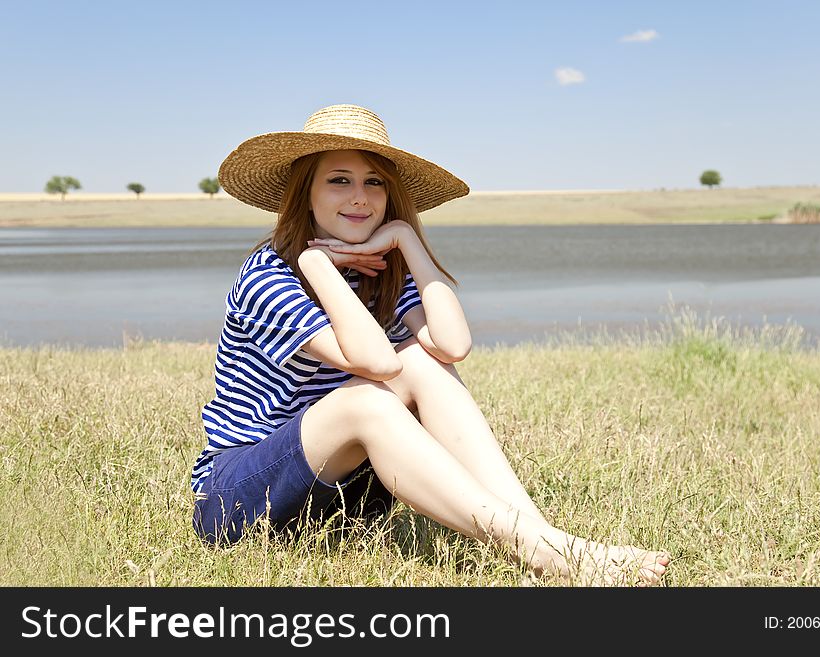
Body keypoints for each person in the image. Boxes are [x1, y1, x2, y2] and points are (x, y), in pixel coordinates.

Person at [190, 104, 670, 586]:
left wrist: (405, 238)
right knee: (368, 400)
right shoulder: (268, 274)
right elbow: (374, 361)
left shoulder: (378, 269)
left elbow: (452, 345)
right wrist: (315, 263)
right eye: (339, 180)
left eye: (374, 182)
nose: (360, 198)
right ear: (305, 195)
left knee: (422, 360)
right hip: (238, 501)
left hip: (339, 502)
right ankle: (540, 550)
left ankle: (539, 535)